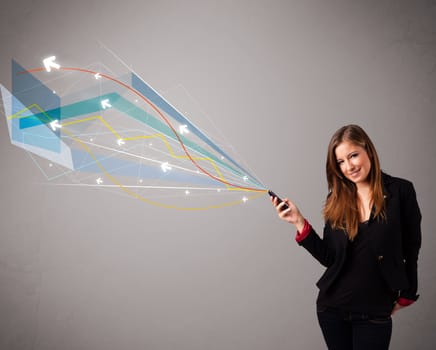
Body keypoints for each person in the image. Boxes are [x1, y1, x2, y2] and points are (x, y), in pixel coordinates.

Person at [271, 124, 421, 350]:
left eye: (353, 156)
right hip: (332, 308)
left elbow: (412, 247)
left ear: (368, 150)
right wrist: (298, 221)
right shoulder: (336, 198)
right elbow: (329, 257)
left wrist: (407, 293)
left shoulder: (401, 191)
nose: (349, 166)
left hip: (375, 309)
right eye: (340, 162)